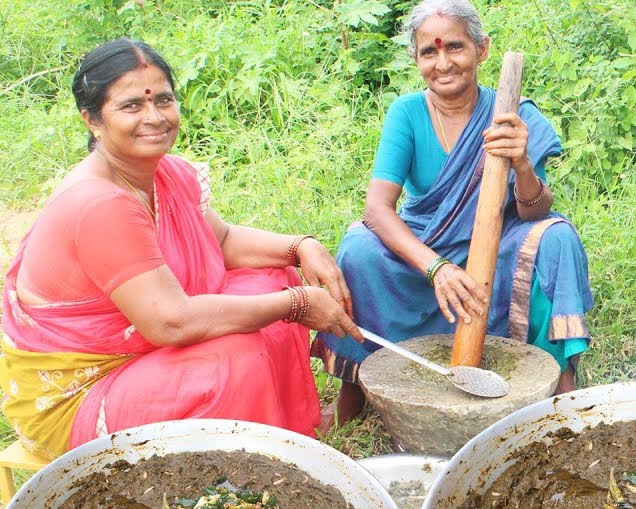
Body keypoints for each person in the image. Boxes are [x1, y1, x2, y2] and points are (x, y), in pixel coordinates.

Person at [0, 39, 362, 459]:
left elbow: (221, 240)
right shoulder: (98, 204)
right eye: (131, 106)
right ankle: (245, 471)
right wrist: (296, 304)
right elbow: (170, 323)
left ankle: (279, 435)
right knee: (239, 354)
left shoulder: (161, 173)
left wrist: (300, 247)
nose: (154, 117)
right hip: (83, 388)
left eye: (164, 100)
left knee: (272, 276)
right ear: (92, 120)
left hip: (147, 336)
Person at [316, 0, 593, 424]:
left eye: (456, 48)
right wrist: (438, 268)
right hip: (426, 253)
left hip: (495, 246)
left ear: (482, 50)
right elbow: (377, 208)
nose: (443, 63)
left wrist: (520, 163)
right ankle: (356, 388)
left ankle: (559, 387)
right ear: (416, 58)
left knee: (555, 237)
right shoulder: (407, 113)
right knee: (358, 246)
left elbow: (533, 211)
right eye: (430, 52)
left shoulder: (514, 116)